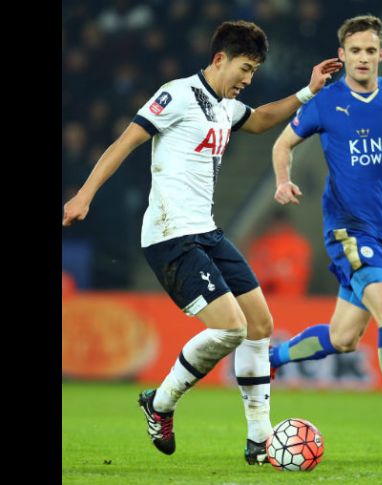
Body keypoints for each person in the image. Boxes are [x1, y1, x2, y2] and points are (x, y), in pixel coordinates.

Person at [62, 19, 342, 465]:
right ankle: (160, 403)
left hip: (206, 232)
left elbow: (261, 119)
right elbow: (124, 143)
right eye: (244, 68)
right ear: (219, 59)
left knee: (260, 325)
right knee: (231, 328)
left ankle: (259, 440)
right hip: (170, 235)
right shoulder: (176, 95)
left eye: (254, 71)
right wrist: (84, 194)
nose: (248, 79)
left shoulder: (226, 107)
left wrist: (308, 91)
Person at [269, 15, 382, 452]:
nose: (363, 58)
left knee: (344, 338)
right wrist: (282, 180)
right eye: (355, 51)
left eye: (371, 50)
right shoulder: (327, 102)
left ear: (381, 55)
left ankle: (270, 358)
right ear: (343, 55)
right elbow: (282, 144)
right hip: (348, 232)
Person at [246, 208, 312, 296]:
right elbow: (253, 274)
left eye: (279, 224)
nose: (276, 227)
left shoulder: (297, 245)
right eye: (274, 224)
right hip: (265, 298)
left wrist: (271, 273)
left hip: (291, 299)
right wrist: (273, 272)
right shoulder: (261, 244)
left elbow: (298, 275)